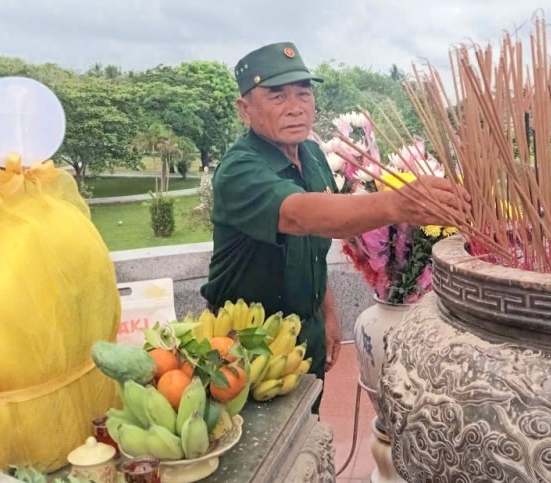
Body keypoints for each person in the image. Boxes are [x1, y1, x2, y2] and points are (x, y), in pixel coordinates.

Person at [200, 42, 466, 411]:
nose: (296, 107)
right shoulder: (240, 169)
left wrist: (327, 314)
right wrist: (396, 203)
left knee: (311, 431)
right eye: (277, 96)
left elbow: (316, 242)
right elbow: (299, 215)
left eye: (303, 93)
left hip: (304, 330)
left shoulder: (311, 155)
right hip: (242, 340)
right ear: (244, 109)